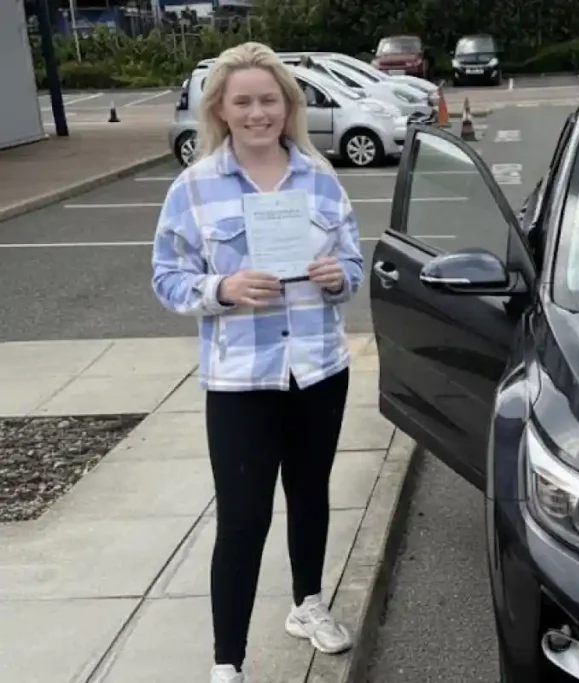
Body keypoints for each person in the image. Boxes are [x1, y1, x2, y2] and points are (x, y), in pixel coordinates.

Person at [150, 42, 363, 683]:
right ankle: (228, 663)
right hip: (241, 379)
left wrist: (337, 278)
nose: (257, 113)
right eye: (242, 101)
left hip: (318, 369)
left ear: (288, 105)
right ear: (220, 108)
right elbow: (166, 278)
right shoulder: (194, 187)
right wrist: (223, 288)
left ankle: (308, 604)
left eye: (269, 99)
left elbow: (353, 264)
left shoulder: (319, 178)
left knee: (311, 496)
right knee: (243, 518)